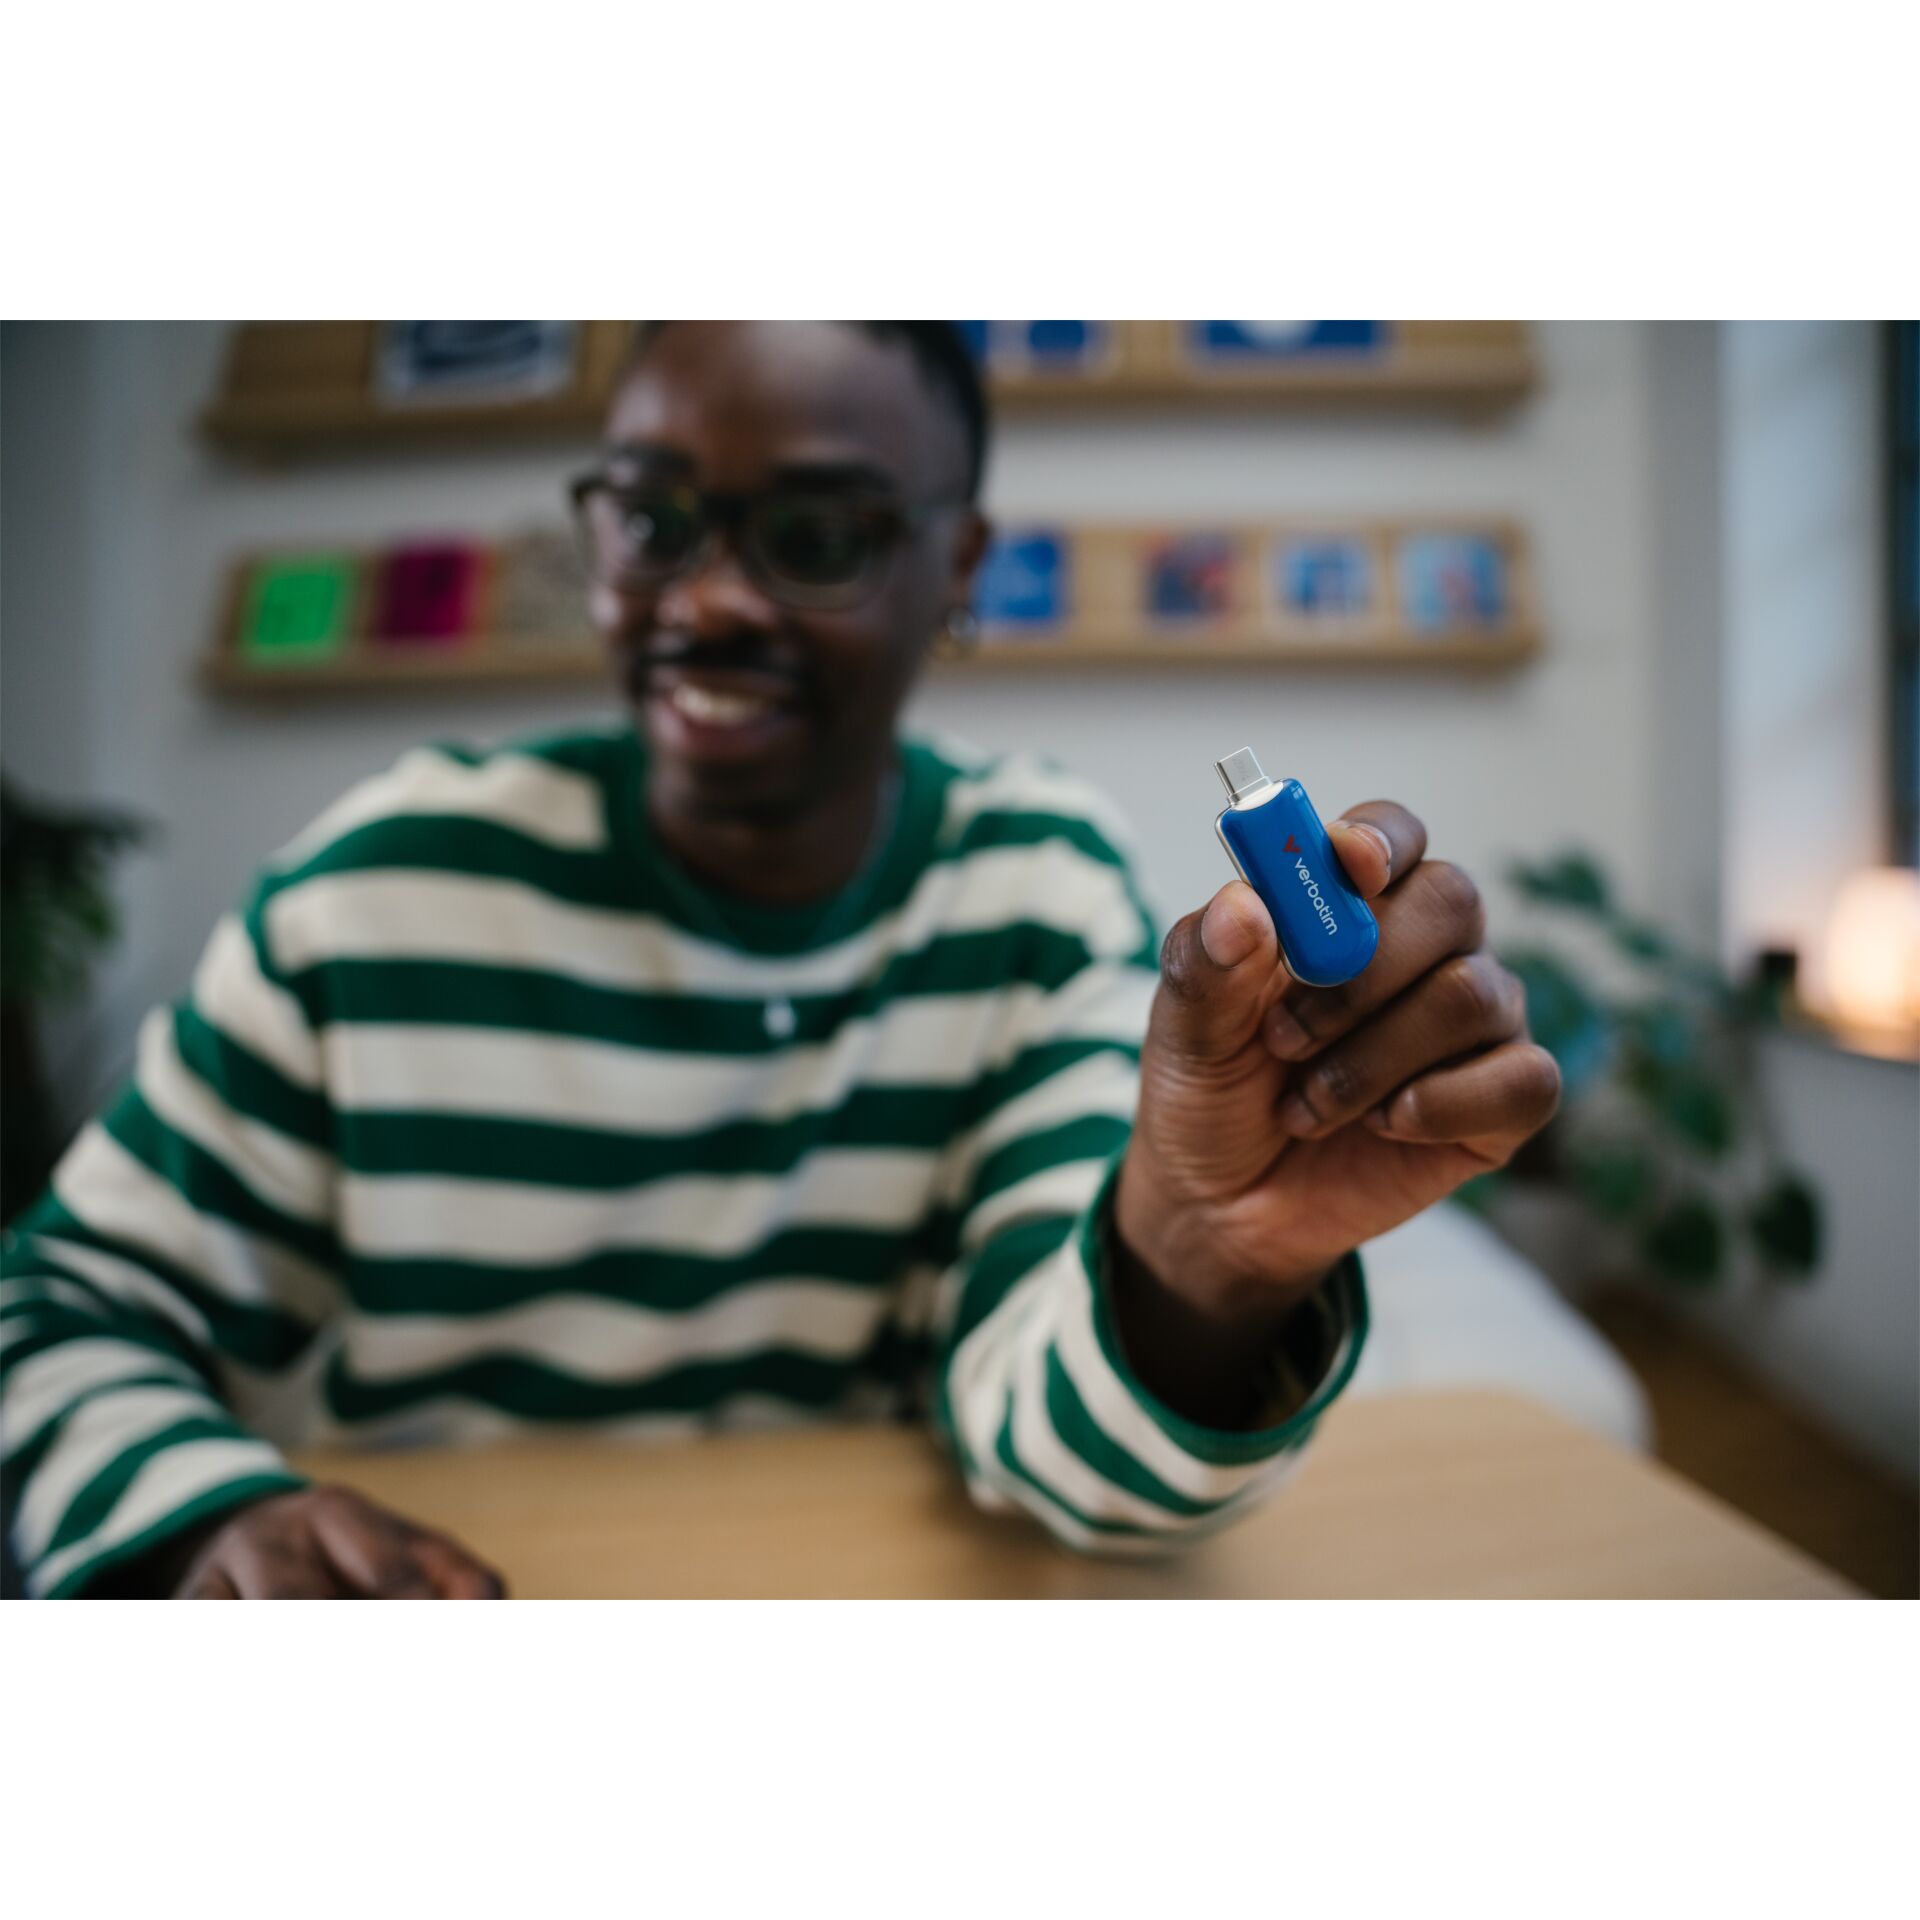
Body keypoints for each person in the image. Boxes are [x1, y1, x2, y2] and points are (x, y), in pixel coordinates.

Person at [0, 322, 1559, 1597]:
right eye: (654, 516)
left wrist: (1209, 1260)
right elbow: (57, 1308)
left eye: (817, 533)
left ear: (961, 569)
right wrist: (203, 1517)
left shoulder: (1025, 889)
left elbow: (1070, 1452)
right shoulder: (372, 891)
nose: (715, 598)